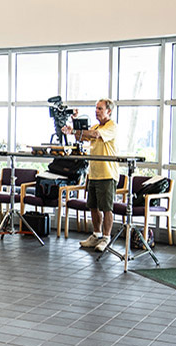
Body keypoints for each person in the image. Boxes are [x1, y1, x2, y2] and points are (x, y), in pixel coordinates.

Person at [62, 99, 118, 252]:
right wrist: (73, 124)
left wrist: (74, 130)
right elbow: (82, 137)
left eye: (100, 109)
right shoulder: (95, 126)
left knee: (107, 208)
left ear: (109, 111)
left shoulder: (111, 126)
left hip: (107, 174)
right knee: (93, 206)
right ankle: (96, 235)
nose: (97, 111)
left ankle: (106, 237)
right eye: (96, 108)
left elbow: (94, 135)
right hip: (93, 174)